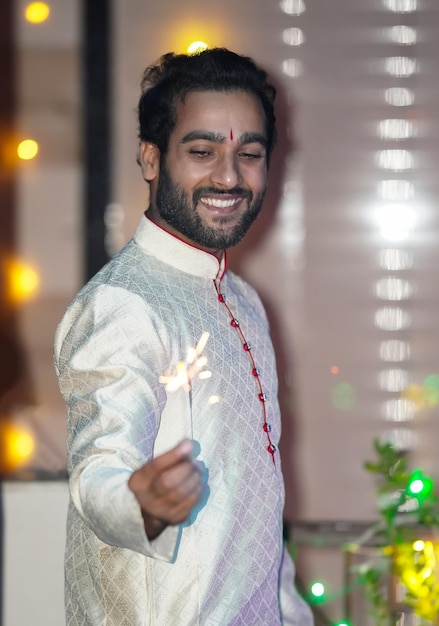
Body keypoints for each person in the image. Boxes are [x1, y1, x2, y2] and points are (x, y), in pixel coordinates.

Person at [54, 47, 313, 626]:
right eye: (202, 152)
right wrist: (140, 505)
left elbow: (258, 505)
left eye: (250, 153)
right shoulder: (123, 303)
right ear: (150, 158)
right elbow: (99, 467)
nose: (229, 176)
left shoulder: (245, 304)